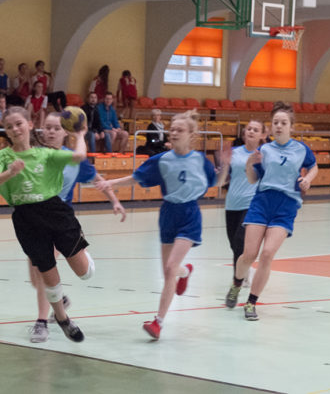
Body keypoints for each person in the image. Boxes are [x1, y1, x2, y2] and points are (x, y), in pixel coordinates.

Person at [97, 109, 229, 340]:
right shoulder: (162, 160)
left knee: (169, 268)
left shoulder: (200, 161)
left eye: (180, 130)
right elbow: (137, 178)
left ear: (191, 135)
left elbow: (216, 183)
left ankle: (158, 323)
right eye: (172, 129)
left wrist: (225, 166)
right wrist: (112, 183)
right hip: (168, 213)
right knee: (169, 271)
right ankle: (185, 272)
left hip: (189, 215)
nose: (174, 133)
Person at [0, 106, 93, 343]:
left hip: (55, 212)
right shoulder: (2, 157)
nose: (15, 129)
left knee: (85, 273)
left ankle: (81, 256)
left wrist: (80, 135)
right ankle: (62, 319)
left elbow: (79, 157)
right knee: (46, 273)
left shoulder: (45, 154)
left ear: (30, 125)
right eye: (9, 127)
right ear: (6, 131)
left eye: (19, 124)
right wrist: (10, 173)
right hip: (26, 218)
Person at [28, 111, 126, 343]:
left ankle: (42, 322)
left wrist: (115, 201)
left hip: (60, 222)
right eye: (47, 128)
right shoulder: (34, 156)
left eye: (56, 128)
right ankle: (57, 303)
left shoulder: (72, 159)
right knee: (36, 277)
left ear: (65, 132)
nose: (51, 132)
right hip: (35, 221)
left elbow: (97, 179)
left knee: (48, 271)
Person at [225, 102, 317, 321]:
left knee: (267, 254)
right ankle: (236, 283)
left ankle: (251, 302)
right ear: (271, 126)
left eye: (283, 123)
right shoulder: (264, 150)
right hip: (262, 202)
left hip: (286, 206)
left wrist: (307, 179)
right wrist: (249, 164)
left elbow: (314, 166)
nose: (279, 126)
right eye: (276, 122)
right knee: (249, 254)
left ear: (291, 126)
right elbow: (252, 179)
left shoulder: (301, 149)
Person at [222, 120, 266, 289]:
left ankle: (237, 281)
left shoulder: (263, 154)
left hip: (252, 204)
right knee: (234, 244)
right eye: (249, 129)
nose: (251, 132)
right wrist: (223, 165)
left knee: (240, 241)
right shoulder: (234, 152)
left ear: (262, 135)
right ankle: (243, 271)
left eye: (256, 129)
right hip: (232, 203)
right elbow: (224, 179)